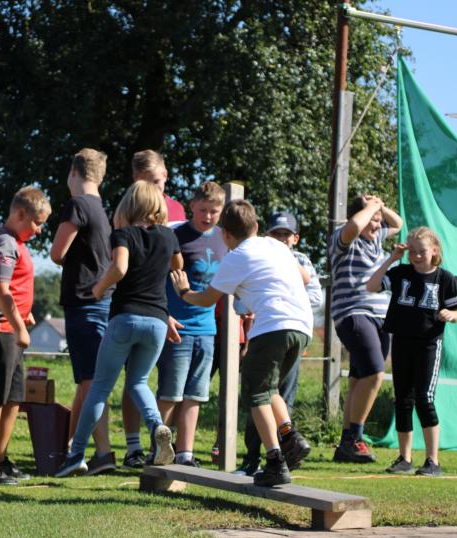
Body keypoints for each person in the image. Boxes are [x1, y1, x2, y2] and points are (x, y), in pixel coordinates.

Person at [172, 200, 313, 487]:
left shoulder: (235, 258)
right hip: (302, 324)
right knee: (269, 387)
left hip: (273, 325)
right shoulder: (276, 245)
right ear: (257, 226)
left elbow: (207, 299)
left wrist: (184, 291)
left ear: (225, 234)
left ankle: (275, 460)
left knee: (254, 393)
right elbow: (305, 277)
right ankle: (290, 437)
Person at [55, 181, 181, 477]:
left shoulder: (123, 234)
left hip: (125, 317)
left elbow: (120, 268)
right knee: (138, 382)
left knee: (100, 387)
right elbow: (178, 263)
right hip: (157, 321)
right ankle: (157, 428)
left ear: (129, 206)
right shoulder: (168, 236)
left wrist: (99, 288)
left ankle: (75, 454)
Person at [0, 187, 50, 484]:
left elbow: (12, 287)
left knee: (13, 398)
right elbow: (0, 289)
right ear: (21, 214)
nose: (39, 230)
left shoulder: (16, 241)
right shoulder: (4, 242)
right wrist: (19, 327)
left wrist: (24, 314)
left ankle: (0, 460)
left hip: (9, 328)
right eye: (37, 223)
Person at [366, 227, 457, 477]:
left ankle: (433, 461)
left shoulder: (445, 278)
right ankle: (405, 458)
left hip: (429, 344)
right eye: (413, 251)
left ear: (434, 250)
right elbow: (372, 286)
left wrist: (450, 315)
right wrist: (391, 258)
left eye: (422, 251)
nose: (417, 256)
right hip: (402, 342)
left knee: (424, 399)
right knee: (402, 400)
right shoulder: (400, 273)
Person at [234, 211, 323, 476]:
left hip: (289, 331)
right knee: (258, 394)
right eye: (276, 233)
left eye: (286, 234)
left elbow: (315, 297)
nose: (281, 238)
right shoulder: (257, 255)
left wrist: (280, 300)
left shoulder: (301, 261)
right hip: (263, 331)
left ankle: (282, 458)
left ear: (295, 238)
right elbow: (239, 301)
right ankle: (252, 459)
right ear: (266, 235)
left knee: (278, 396)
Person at [49, 149, 115, 476]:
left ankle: (97, 453)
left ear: (73, 173)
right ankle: (78, 448)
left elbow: (57, 253)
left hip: (84, 302)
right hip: (103, 301)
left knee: (90, 381)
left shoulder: (77, 205)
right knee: (90, 380)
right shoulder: (104, 210)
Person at [120, 149, 187, 467]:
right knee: (135, 378)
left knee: (171, 384)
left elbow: (177, 264)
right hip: (141, 305)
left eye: (157, 182)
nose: (152, 190)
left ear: (166, 177)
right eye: (145, 182)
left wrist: (170, 310)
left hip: (169, 307)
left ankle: (164, 446)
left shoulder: (177, 211)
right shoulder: (127, 208)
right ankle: (132, 446)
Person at [157, 181, 226, 468]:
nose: (208, 216)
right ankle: (159, 449)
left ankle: (185, 453)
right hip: (178, 326)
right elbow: (155, 278)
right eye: (203, 210)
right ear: (192, 206)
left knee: (195, 394)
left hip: (207, 329)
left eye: (214, 211)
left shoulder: (223, 238)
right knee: (170, 393)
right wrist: (163, 315)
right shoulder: (176, 236)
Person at [329, 194, 402, 463]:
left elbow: (398, 223)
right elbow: (354, 226)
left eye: (379, 220)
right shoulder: (344, 240)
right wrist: (370, 209)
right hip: (353, 313)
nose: (377, 225)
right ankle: (354, 439)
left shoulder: (377, 239)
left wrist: (379, 206)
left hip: (381, 318)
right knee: (374, 373)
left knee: (359, 379)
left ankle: (345, 443)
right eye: (372, 219)